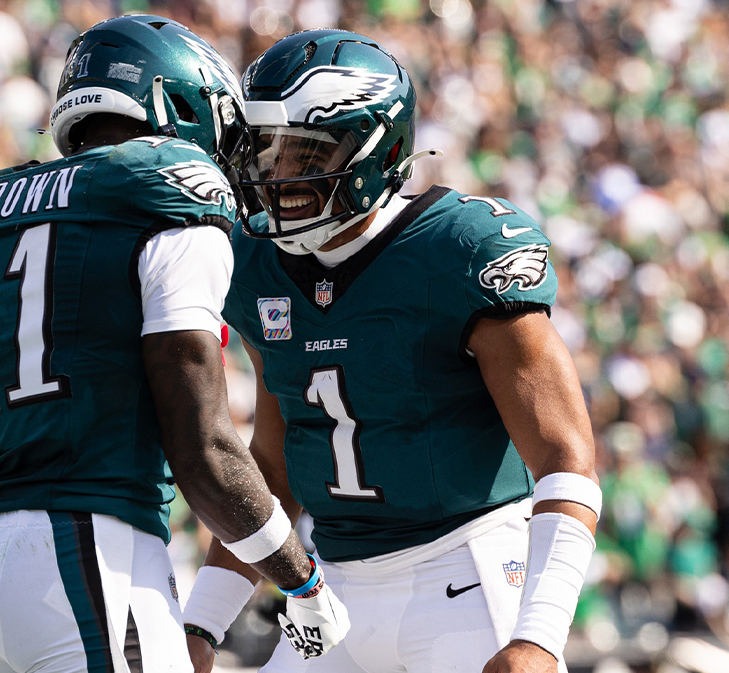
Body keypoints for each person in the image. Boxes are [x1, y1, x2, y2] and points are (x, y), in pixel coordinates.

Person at [0, 16, 348, 673]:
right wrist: (301, 577)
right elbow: (203, 449)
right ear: (181, 106)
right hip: (90, 551)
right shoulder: (168, 194)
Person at [183, 30, 599, 673]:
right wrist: (202, 624)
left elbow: (565, 456)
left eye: (302, 154)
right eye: (264, 151)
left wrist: (540, 634)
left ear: (380, 150)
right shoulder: (254, 265)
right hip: (329, 586)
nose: (274, 176)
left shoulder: (459, 248)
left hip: (468, 568)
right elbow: (277, 464)